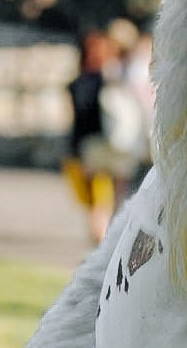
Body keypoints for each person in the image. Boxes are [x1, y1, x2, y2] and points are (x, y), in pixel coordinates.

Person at [63, 30, 150, 244]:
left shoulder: (80, 83)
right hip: (117, 145)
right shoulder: (113, 78)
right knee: (116, 197)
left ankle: (102, 242)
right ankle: (110, 239)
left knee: (98, 203)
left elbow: (79, 122)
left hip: (94, 148)